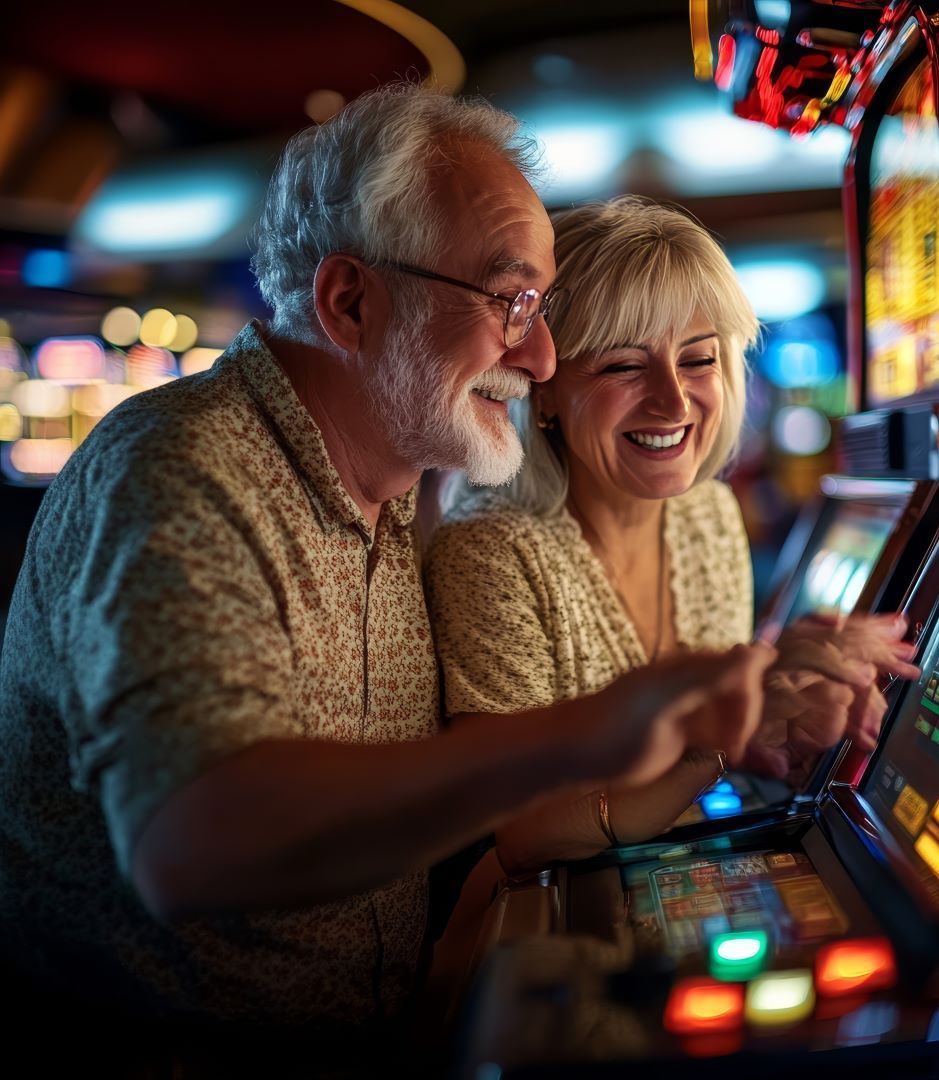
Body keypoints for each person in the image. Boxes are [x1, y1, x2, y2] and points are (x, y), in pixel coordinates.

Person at [0, 87, 777, 1063]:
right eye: (510, 303)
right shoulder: (184, 471)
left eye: (539, 309)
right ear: (351, 302)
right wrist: (581, 737)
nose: (539, 356)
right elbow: (190, 843)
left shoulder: (402, 491)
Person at [425, 196, 919, 875]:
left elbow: (696, 766)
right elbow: (526, 836)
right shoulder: (489, 554)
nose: (674, 401)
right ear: (542, 388)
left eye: (697, 360)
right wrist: (722, 730)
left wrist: (783, 718)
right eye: (623, 366)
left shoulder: (707, 516)